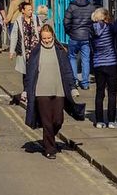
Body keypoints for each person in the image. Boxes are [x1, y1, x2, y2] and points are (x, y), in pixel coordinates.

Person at [25, 24, 83, 159]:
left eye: (48, 38)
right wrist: (26, 90)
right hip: (41, 91)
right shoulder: (35, 51)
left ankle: (49, 139)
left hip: (59, 90)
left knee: (58, 120)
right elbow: (30, 73)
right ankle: (50, 149)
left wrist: (72, 87)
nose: (46, 40)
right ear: (40, 38)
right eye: (44, 38)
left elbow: (67, 70)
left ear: (53, 36)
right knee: (47, 122)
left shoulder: (60, 51)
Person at [90, 8, 117, 129]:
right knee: (112, 93)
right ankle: (111, 121)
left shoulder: (91, 29)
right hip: (111, 63)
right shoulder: (110, 28)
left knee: (99, 93)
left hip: (98, 64)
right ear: (105, 16)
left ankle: (99, 121)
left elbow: (91, 46)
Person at [63, 0, 95, 89]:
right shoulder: (91, 7)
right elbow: (95, 21)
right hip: (86, 37)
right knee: (86, 59)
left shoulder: (71, 7)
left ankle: (74, 80)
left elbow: (66, 22)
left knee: (72, 57)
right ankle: (85, 83)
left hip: (74, 37)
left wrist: (69, 32)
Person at [9, 1, 40, 101]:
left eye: (31, 9)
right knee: (26, 72)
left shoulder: (36, 19)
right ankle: (26, 91)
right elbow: (14, 36)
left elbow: (42, 31)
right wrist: (11, 51)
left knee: (35, 71)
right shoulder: (18, 21)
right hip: (24, 50)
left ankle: (35, 90)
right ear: (23, 11)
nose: (31, 11)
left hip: (35, 50)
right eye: (29, 10)